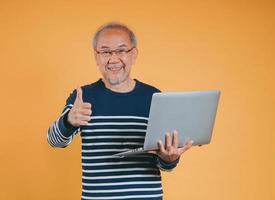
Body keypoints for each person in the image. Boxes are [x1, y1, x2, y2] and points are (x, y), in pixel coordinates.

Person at [47, 22, 193, 200]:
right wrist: (68, 121)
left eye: (121, 50)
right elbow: (54, 141)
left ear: (133, 54)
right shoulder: (83, 97)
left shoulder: (154, 97)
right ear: (96, 57)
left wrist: (169, 159)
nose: (113, 59)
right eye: (106, 51)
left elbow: (165, 166)